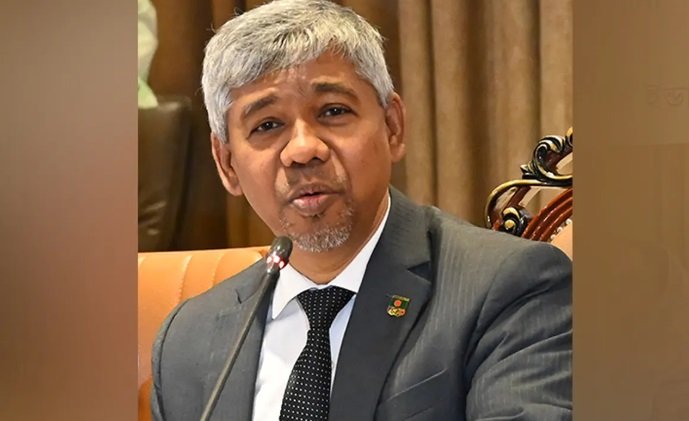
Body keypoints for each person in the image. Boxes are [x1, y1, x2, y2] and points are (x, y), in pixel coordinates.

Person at [151, 0, 572, 420]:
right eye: (267, 125)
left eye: (333, 112)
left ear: (392, 126)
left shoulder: (506, 289)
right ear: (227, 164)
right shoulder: (186, 342)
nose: (303, 149)